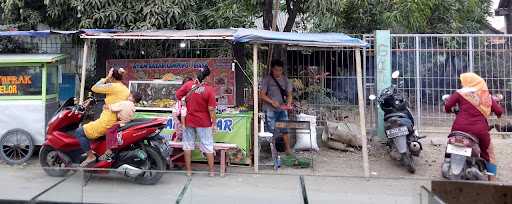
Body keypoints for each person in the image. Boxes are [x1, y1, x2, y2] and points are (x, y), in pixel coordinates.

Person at [444, 72, 503, 181]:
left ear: (468, 82)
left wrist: (449, 110)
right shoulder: (487, 96)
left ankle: (447, 163)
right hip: (480, 130)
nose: (462, 84)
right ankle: (492, 180)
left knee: (449, 145)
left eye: (463, 82)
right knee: (488, 153)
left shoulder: (460, 93)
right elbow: (499, 111)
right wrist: (497, 108)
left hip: (458, 128)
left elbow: (447, 106)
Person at [76, 68, 130, 167]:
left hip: (107, 121)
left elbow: (94, 88)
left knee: (79, 132)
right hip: (117, 120)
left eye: (110, 75)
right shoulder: (125, 89)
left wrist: (106, 78)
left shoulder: (112, 86)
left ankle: (90, 156)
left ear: (112, 77)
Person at [175, 69, 217, 176]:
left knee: (187, 145)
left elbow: (178, 95)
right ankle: (211, 172)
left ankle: (189, 171)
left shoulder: (188, 85)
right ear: (206, 77)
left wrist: (185, 102)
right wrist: (214, 123)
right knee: (207, 145)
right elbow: (211, 109)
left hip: (188, 120)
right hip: (204, 122)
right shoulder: (209, 90)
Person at [259, 59, 293, 154]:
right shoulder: (267, 79)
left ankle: (287, 149)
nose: (278, 72)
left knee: (285, 129)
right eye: (276, 70)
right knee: (272, 130)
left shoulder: (285, 80)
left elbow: (289, 94)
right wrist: (271, 101)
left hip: (282, 109)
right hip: (269, 109)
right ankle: (273, 150)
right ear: (272, 69)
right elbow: (261, 95)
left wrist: (289, 103)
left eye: (280, 70)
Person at [99, 91, 143, 161]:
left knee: (110, 130)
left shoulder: (125, 103)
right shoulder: (133, 105)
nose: (128, 97)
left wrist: (106, 106)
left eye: (130, 96)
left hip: (122, 122)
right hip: (128, 122)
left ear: (133, 98)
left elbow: (113, 108)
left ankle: (109, 150)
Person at [171, 77, 194, 142]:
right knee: (180, 136)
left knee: (187, 139)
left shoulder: (193, 94)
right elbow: (176, 111)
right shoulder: (182, 95)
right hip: (180, 118)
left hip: (186, 119)